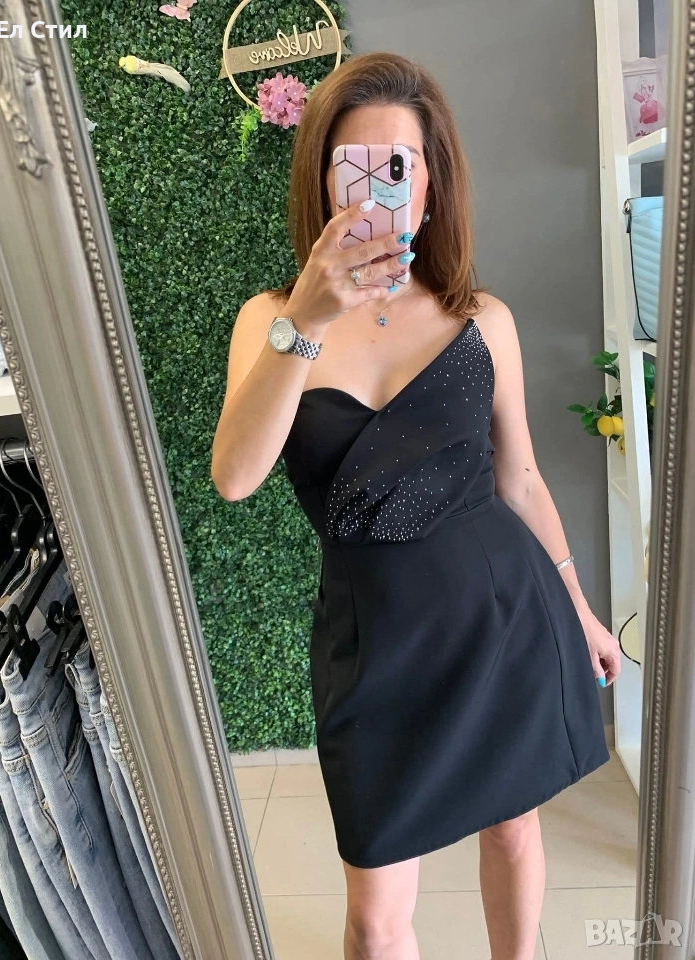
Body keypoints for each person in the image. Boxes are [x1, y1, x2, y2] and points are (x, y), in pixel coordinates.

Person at [211, 51, 621, 960]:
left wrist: (581, 608)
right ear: (322, 182)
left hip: (500, 618)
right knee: (375, 921)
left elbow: (520, 480)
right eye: (353, 165)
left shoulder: (483, 320)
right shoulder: (269, 321)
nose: (376, 187)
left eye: (398, 165)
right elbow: (235, 476)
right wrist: (308, 320)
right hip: (374, 647)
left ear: (431, 183)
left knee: (513, 830)